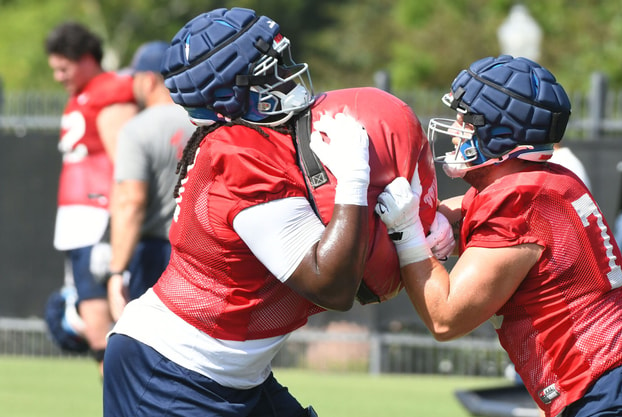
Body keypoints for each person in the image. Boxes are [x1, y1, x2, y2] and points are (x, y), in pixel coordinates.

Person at [103, 7, 443, 416]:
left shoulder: (272, 137)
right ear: (230, 95)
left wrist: (425, 227)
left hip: (233, 373)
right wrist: (355, 177)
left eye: (281, 59)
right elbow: (332, 286)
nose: (286, 73)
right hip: (172, 373)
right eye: (269, 70)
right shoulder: (238, 156)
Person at [375, 55, 622, 417]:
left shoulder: (517, 200)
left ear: (499, 132)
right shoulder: (539, 182)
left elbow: (446, 318)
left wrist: (407, 235)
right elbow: (462, 209)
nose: (457, 127)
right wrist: (435, 221)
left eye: (468, 118)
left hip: (615, 391)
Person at [45, 21, 138, 374]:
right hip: (77, 221)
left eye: (63, 68)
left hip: (96, 218)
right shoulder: (83, 94)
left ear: (85, 58)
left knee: (106, 327)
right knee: (93, 326)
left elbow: (126, 165)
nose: (58, 77)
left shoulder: (109, 91)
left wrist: (111, 228)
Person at [106, 41, 194, 321]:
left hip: (154, 251)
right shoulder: (204, 122)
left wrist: (117, 270)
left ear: (149, 80)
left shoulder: (137, 129)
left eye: (134, 77)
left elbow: (131, 201)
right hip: (200, 250)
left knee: (148, 342)